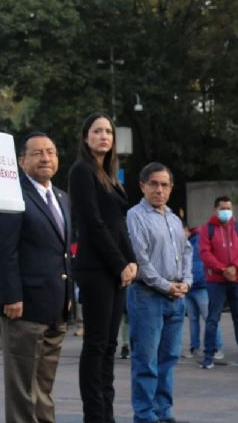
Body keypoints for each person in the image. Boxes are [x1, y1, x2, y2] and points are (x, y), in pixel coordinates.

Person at [0, 131, 72, 423]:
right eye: (37, 153)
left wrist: (69, 298)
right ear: (21, 161)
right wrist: (11, 295)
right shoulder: (12, 194)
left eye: (50, 152)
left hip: (56, 308)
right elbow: (3, 250)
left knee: (44, 387)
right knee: (23, 391)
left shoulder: (62, 198)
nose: (45, 158)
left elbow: (63, 253)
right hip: (23, 309)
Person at [68, 112, 138, 423]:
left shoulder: (109, 174)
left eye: (108, 131)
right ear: (86, 137)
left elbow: (118, 225)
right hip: (96, 268)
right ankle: (94, 416)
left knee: (109, 345)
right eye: (97, 131)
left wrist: (131, 260)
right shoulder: (82, 171)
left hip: (114, 269)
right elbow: (93, 224)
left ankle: (106, 414)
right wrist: (120, 262)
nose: (104, 136)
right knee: (96, 344)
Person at [125, 162, 191, 423]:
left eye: (165, 185)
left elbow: (186, 252)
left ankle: (163, 412)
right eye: (154, 184)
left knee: (168, 359)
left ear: (171, 188)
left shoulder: (174, 219)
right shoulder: (135, 216)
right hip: (148, 295)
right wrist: (167, 286)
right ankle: (144, 415)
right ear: (142, 186)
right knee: (146, 361)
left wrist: (186, 281)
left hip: (176, 297)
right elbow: (140, 259)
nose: (159, 189)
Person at [198, 196, 238, 369]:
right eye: (222, 208)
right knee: (212, 319)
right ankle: (208, 356)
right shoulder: (207, 229)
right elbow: (205, 253)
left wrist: (235, 267)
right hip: (216, 281)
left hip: (237, 280)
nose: (226, 211)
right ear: (215, 209)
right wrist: (223, 269)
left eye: (228, 208)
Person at [183, 227, 223, 360]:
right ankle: (194, 347)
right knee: (193, 320)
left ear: (186, 229)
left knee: (209, 318)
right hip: (188, 287)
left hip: (201, 286)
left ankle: (216, 347)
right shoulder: (183, 243)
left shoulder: (200, 240)